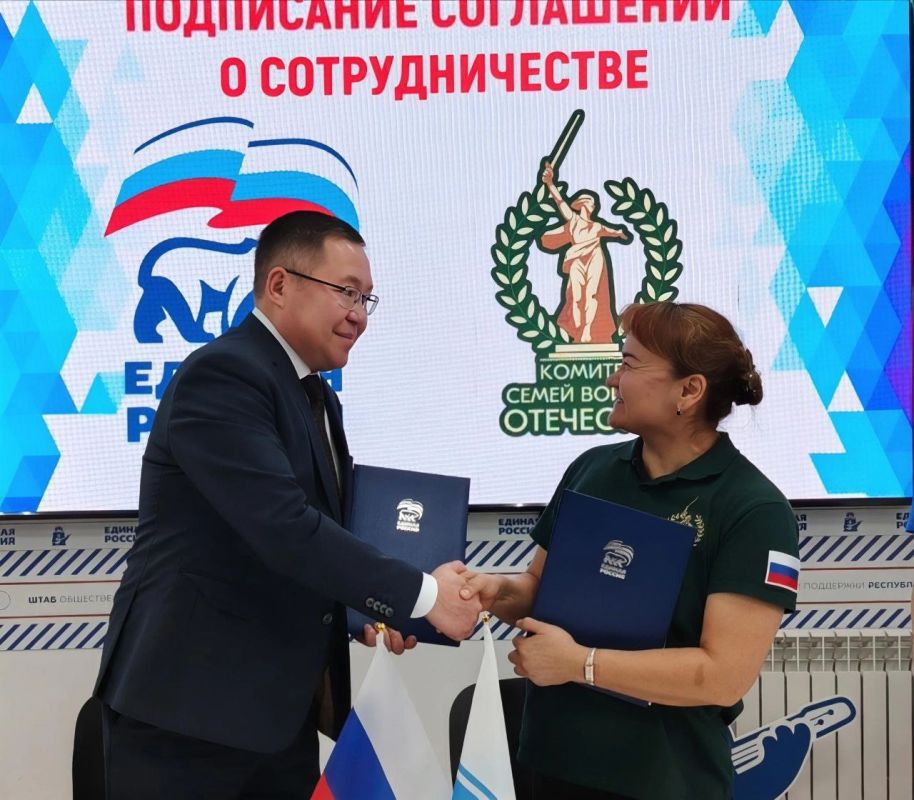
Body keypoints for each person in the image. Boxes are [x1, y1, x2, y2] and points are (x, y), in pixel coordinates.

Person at [94, 210, 481, 799]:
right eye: (346, 292)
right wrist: (424, 597)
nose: (359, 315)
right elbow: (284, 528)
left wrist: (373, 611)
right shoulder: (225, 375)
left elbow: (326, 535)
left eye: (367, 299)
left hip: (277, 719)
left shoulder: (316, 396)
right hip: (188, 717)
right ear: (279, 285)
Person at [462, 301, 800, 800]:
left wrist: (580, 664)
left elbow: (722, 676)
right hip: (552, 763)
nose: (612, 379)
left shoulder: (754, 509)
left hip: (663, 779)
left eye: (629, 363)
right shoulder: (592, 470)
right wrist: (493, 591)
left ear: (689, 390)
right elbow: (539, 589)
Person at [538, 161, 632, 344]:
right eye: (591, 202)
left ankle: (587, 331)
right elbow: (559, 201)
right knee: (576, 297)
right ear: (582, 204)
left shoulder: (596, 226)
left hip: (594, 258)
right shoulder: (573, 220)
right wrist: (549, 183)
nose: (593, 205)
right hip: (576, 260)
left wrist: (620, 233)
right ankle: (578, 330)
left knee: (592, 294)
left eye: (593, 203)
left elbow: (613, 231)